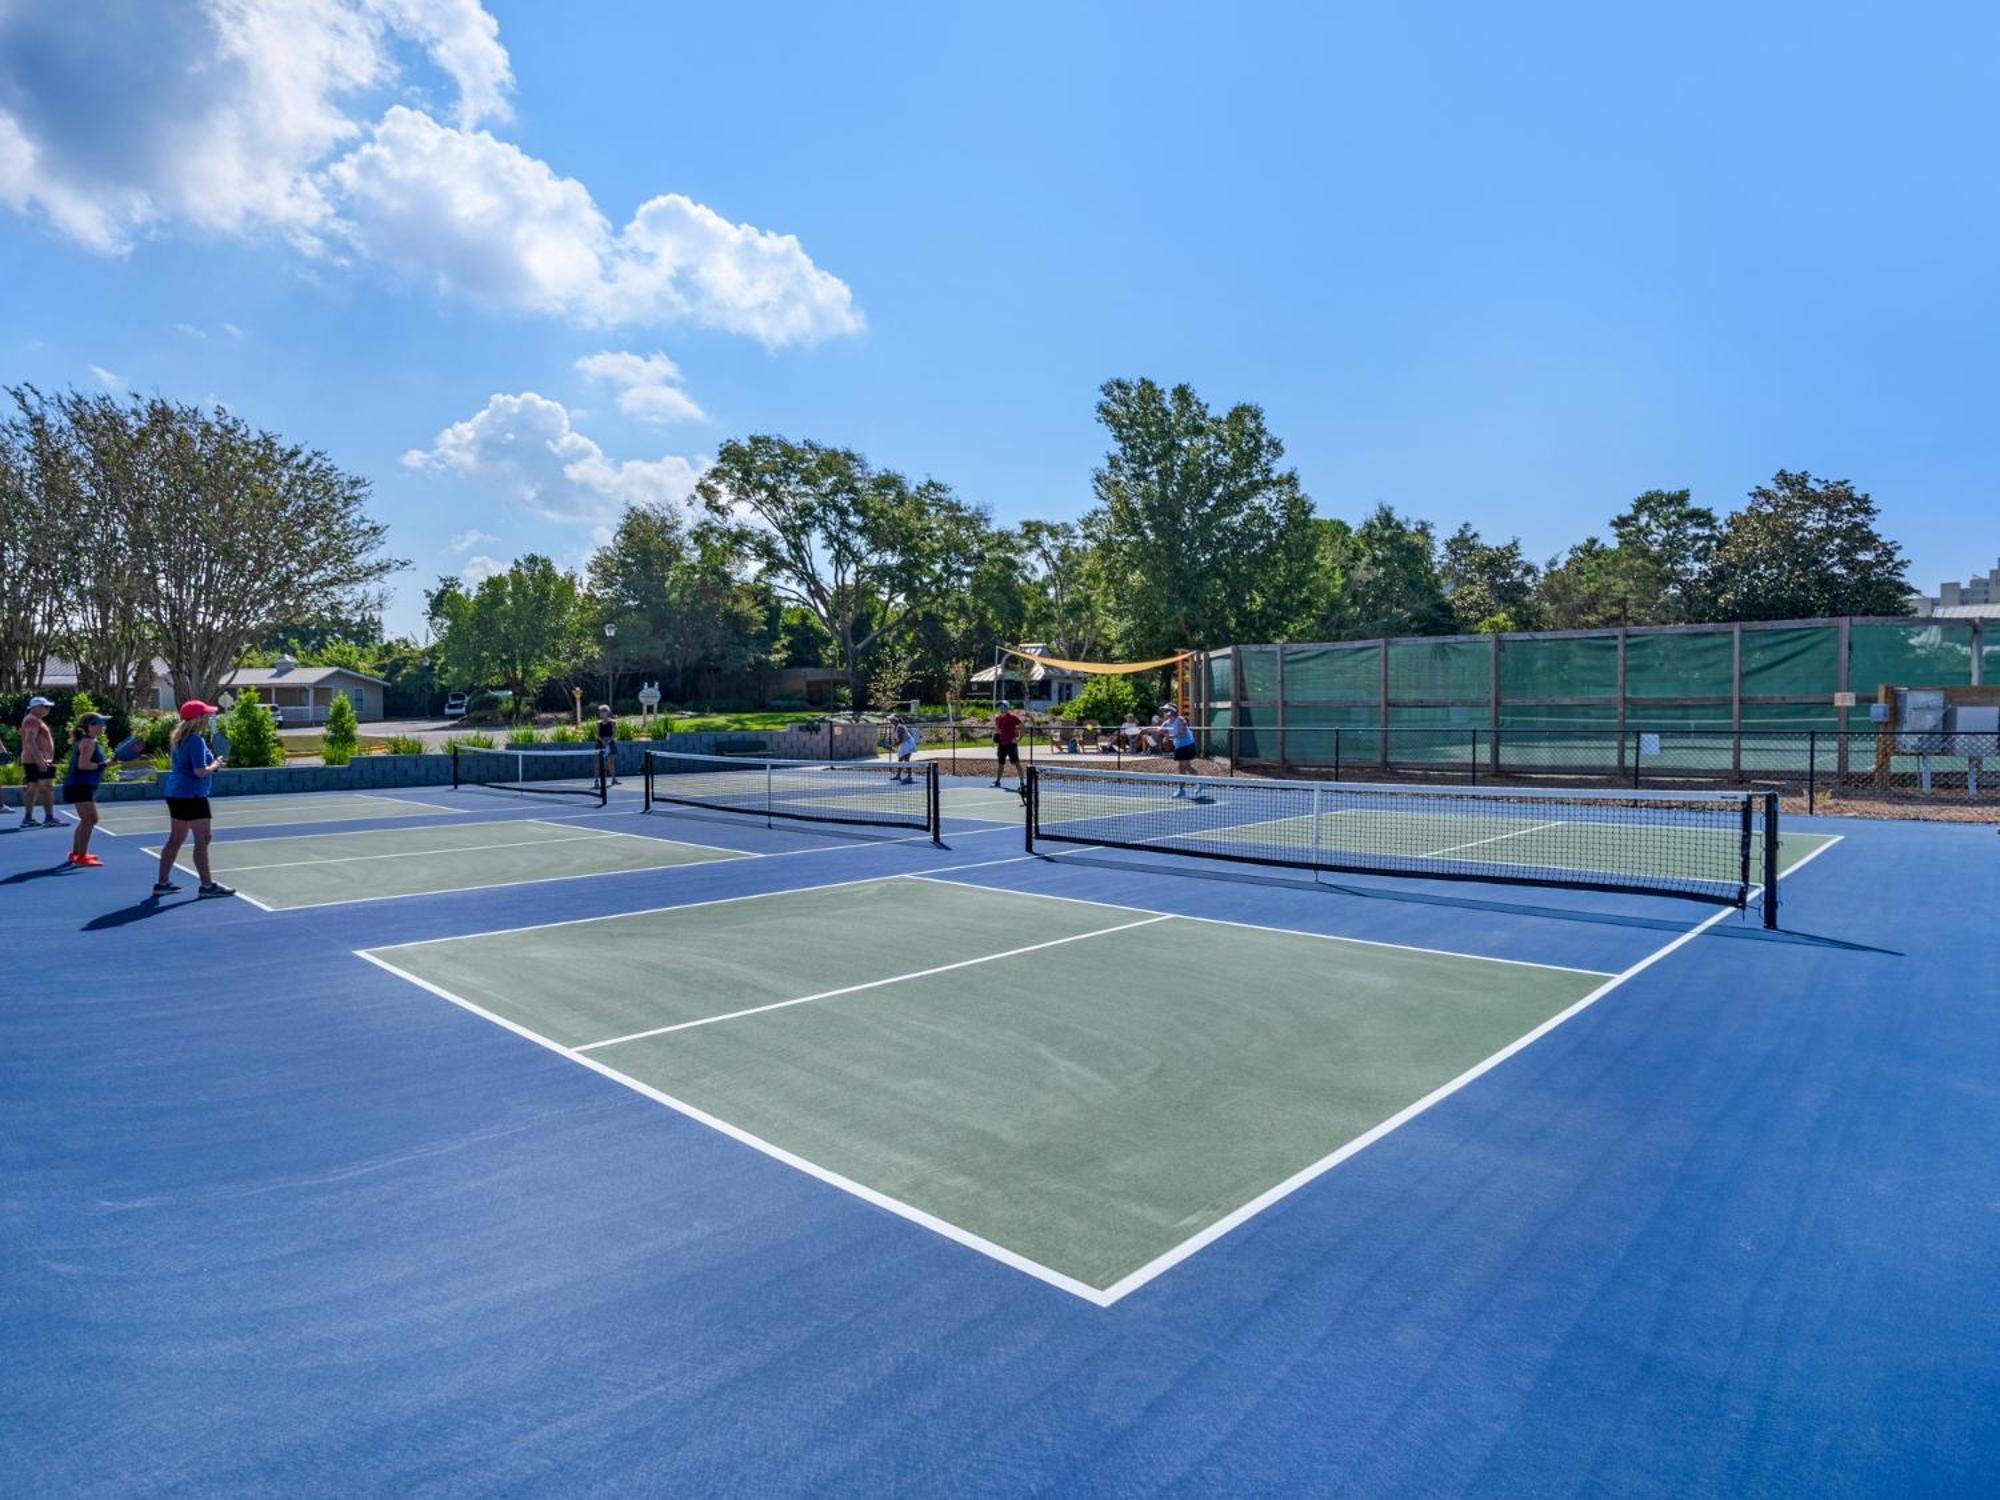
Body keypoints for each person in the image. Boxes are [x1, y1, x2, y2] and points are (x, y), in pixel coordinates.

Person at [154, 701, 234, 899]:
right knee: (203, 839)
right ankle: (207, 886)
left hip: (176, 793)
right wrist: (215, 764)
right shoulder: (196, 741)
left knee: (176, 839)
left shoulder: (179, 739)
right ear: (198, 718)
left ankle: (162, 883)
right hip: (192, 796)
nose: (208, 718)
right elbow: (199, 772)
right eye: (205, 715)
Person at [60, 712, 112, 866]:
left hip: (79, 785)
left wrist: (106, 762)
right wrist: (102, 765)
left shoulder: (87, 741)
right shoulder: (88, 743)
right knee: (91, 819)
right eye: (99, 723)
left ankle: (76, 853)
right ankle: (81, 857)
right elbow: (83, 765)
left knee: (86, 820)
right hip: (79, 785)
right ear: (90, 726)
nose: (103, 726)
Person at [17, 696, 63, 829]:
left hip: (33, 760)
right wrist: (40, 761)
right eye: (45, 706)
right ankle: (49, 818)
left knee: (33, 787)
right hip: (37, 761)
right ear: (35, 707)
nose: (48, 709)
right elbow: (30, 741)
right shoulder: (32, 720)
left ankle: (28, 818)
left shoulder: (33, 720)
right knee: (46, 787)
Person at [1160, 701, 1204, 798]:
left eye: (1166, 710)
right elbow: (1159, 730)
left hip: (1187, 745)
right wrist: (1145, 730)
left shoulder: (1180, 720)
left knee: (1186, 766)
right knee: (1181, 768)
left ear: (1171, 711)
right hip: (1179, 747)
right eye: (1164, 710)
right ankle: (1182, 790)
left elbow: (1182, 734)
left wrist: (1168, 736)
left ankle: (1200, 781)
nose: (1164, 712)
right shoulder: (1166, 722)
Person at [990, 699, 1023, 789]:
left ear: (1007, 708)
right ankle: (997, 781)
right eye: (1000, 707)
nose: (1001, 708)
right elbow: (999, 730)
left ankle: (1022, 783)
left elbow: (1022, 726)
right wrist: (997, 732)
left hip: (1011, 745)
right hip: (1001, 745)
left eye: (1003, 706)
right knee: (1000, 764)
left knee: (1017, 763)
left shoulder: (1012, 717)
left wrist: (1019, 738)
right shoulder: (998, 718)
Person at [594, 704, 620, 786]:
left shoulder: (613, 722)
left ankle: (613, 779)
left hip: (611, 743)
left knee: (611, 762)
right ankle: (596, 781)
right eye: (600, 712)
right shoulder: (598, 723)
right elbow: (597, 734)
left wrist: (609, 741)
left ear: (607, 712)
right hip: (600, 744)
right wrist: (602, 741)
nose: (601, 713)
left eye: (603, 711)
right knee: (598, 762)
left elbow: (615, 733)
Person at [888, 715, 919, 784]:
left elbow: (901, 740)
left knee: (906, 760)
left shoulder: (900, 728)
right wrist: (893, 745)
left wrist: (893, 746)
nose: (890, 721)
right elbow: (897, 739)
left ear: (895, 720)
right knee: (900, 760)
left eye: (891, 719)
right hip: (903, 744)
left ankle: (909, 776)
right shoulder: (894, 728)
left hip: (907, 743)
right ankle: (898, 775)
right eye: (889, 719)